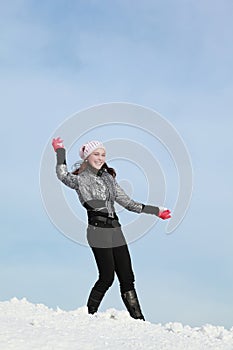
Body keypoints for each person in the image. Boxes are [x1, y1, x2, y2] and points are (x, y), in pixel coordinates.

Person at [52, 137, 171, 321]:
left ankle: (139, 320)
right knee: (107, 276)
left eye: (103, 155)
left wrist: (155, 211)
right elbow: (62, 175)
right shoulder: (80, 179)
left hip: (116, 229)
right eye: (96, 154)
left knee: (127, 276)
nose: (100, 158)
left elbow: (129, 203)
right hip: (97, 229)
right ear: (87, 157)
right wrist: (60, 152)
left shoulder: (109, 179)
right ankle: (89, 316)